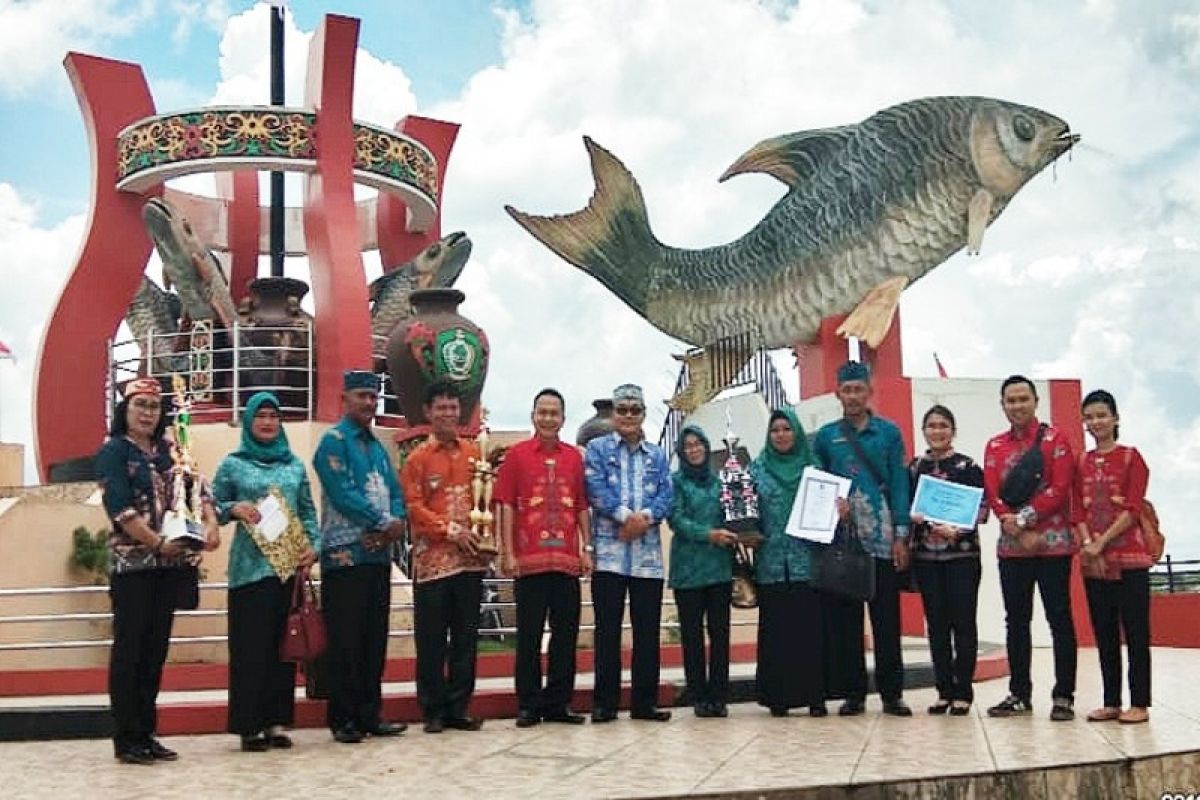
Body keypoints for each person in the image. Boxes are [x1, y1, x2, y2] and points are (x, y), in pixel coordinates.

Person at [95, 377, 219, 765]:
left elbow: (197, 488)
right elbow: (119, 509)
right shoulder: (113, 452)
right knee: (130, 650)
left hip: (169, 566)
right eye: (140, 405)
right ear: (125, 410)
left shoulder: (170, 450)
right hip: (133, 568)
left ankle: (147, 733)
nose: (148, 413)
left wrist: (210, 523)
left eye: (153, 406)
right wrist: (157, 543)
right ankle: (126, 737)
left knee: (155, 651)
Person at [211, 392, 320, 751]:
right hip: (249, 571)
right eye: (261, 416)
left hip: (287, 569)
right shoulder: (232, 464)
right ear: (249, 422)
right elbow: (210, 505)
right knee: (250, 650)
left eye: (274, 416)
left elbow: (307, 512)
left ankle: (275, 722)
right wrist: (233, 508)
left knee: (281, 648)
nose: (268, 422)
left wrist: (313, 547)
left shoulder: (294, 465)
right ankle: (249, 726)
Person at [312, 371, 408, 744]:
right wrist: (384, 522)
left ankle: (370, 714)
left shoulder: (378, 449)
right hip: (345, 558)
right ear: (345, 398)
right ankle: (344, 718)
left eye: (374, 397)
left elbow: (395, 490)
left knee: (373, 639)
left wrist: (395, 521)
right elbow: (342, 493)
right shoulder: (332, 443)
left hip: (378, 558)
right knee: (346, 640)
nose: (369, 403)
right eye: (362, 396)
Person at [813, 361, 913, 717]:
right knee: (846, 621)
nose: (853, 396)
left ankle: (892, 693)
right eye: (846, 390)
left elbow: (900, 483)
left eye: (858, 389)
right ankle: (853, 692)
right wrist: (828, 508)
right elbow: (818, 483)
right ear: (837, 394)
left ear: (869, 392)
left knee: (887, 620)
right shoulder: (826, 437)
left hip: (883, 539)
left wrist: (902, 534)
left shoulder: (888, 433)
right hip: (844, 541)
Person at [495, 388, 592, 727]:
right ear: (533, 416)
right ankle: (528, 704)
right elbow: (505, 503)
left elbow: (581, 504)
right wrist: (506, 551)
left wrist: (587, 547)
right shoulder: (516, 456)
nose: (548, 418)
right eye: (542, 412)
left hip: (566, 561)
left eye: (554, 413)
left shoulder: (574, 458)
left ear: (563, 419)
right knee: (529, 636)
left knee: (566, 636)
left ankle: (559, 703)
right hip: (529, 561)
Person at [983, 375, 1077, 721]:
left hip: (1053, 547)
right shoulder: (994, 446)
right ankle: (1019, 693)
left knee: (1059, 619)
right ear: (1003, 404)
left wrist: (1022, 521)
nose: (1017, 406)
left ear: (1036, 401)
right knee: (1016, 621)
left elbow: (1060, 487)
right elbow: (993, 493)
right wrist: (1015, 528)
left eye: (1023, 399)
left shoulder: (1057, 440)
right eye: (1011, 400)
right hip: (1012, 549)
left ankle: (1064, 695)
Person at [400, 381, 491, 734]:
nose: (448, 414)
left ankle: (458, 707)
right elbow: (413, 508)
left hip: (470, 561)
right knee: (432, 639)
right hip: (433, 564)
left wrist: (484, 537)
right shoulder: (417, 459)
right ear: (428, 413)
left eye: (454, 407)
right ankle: (433, 710)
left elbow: (486, 499)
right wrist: (450, 530)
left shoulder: (474, 454)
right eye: (441, 408)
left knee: (467, 637)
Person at [584, 383, 674, 723]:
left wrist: (645, 519)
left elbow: (667, 493)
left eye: (635, 410)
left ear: (643, 414)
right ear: (614, 413)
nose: (628, 416)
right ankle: (605, 703)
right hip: (609, 554)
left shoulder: (658, 454)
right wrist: (626, 517)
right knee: (607, 630)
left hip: (647, 559)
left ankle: (644, 703)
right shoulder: (597, 448)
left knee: (646, 632)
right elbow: (595, 487)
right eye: (622, 410)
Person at [1073, 390, 1153, 725]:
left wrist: (1101, 541)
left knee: (1135, 632)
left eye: (1102, 415)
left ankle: (1140, 703)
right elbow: (1076, 508)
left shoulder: (1133, 458)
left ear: (1116, 418)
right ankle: (1111, 701)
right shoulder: (1081, 461)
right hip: (1095, 562)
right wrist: (1088, 544)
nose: (1096, 423)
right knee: (1104, 632)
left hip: (1130, 558)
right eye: (1089, 417)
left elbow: (1133, 509)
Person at [749, 409, 828, 718]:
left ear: (796, 432)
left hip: (807, 560)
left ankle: (815, 696)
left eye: (786, 429)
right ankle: (777, 697)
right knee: (776, 631)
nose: (781, 435)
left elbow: (826, 513)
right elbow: (743, 508)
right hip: (770, 561)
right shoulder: (756, 470)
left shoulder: (813, 467)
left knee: (809, 630)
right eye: (775, 430)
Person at [908, 405, 985, 716]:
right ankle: (943, 691)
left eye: (943, 425)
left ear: (953, 430)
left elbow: (982, 508)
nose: (937, 431)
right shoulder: (915, 467)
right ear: (924, 430)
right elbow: (907, 504)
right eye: (931, 426)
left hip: (962, 556)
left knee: (963, 623)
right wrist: (914, 517)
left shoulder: (968, 466)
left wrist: (957, 528)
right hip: (926, 557)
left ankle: (963, 691)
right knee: (936, 625)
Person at [667, 424, 735, 718]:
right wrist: (710, 534)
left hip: (719, 568)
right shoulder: (676, 482)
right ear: (682, 452)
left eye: (699, 444)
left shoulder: (720, 482)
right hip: (688, 571)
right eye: (688, 446)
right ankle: (698, 695)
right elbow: (676, 520)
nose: (694, 450)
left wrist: (739, 529)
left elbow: (733, 515)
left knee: (720, 634)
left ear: (707, 447)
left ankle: (719, 695)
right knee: (692, 636)